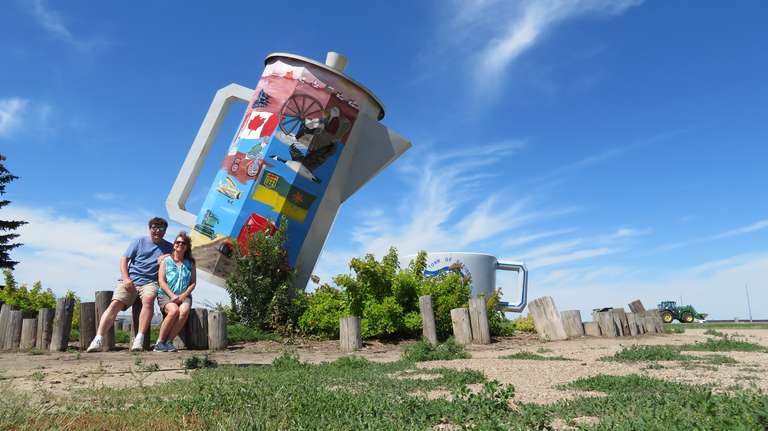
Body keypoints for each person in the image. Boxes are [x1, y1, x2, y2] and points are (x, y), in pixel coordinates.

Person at [87, 217, 173, 353]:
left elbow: (181, 260)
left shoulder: (170, 247)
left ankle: (139, 338)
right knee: (115, 304)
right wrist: (126, 278)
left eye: (161, 228)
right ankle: (98, 339)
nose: (157, 231)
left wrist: (167, 257)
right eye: (154, 227)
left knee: (149, 300)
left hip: (150, 282)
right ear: (149, 228)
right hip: (131, 280)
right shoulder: (139, 241)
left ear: (165, 231)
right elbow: (124, 259)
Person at [153, 231, 196, 352]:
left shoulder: (190, 263)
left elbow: (193, 283)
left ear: (187, 246)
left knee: (184, 310)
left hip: (184, 295)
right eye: (178, 242)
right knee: (173, 310)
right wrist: (172, 295)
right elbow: (161, 281)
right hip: (166, 295)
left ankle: (169, 341)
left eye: (183, 243)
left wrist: (183, 295)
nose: (180, 244)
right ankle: (159, 342)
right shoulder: (166, 261)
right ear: (174, 245)